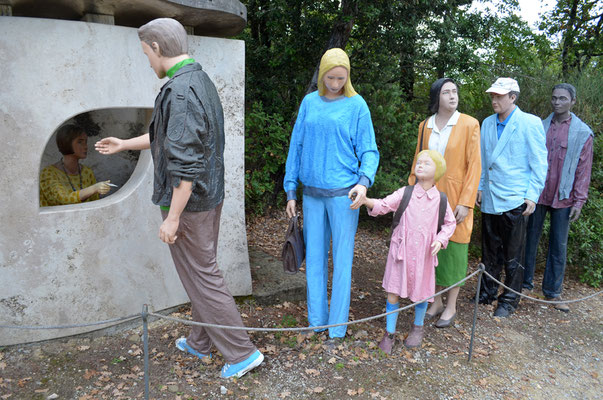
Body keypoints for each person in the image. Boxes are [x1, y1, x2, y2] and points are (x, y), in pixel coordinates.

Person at [95, 18, 263, 379]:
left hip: (190, 206)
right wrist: (125, 143)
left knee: (203, 276)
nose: (148, 62)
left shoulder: (182, 93)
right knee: (199, 274)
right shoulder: (198, 81)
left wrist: (172, 218)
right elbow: (168, 139)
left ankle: (242, 352)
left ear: (157, 48)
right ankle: (201, 343)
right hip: (208, 199)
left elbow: (184, 168)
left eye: (146, 54)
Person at [284, 48, 379, 341]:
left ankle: (337, 328)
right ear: (322, 73)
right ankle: (317, 322)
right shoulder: (309, 103)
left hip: (344, 196)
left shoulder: (357, 105)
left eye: (342, 77)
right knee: (313, 260)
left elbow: (369, 150)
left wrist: (363, 181)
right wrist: (290, 191)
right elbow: (295, 146)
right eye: (331, 76)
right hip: (311, 194)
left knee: (342, 261)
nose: (336, 82)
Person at [358, 150, 456, 353]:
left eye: (426, 163)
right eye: (418, 162)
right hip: (400, 253)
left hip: (424, 256)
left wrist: (440, 239)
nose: (420, 165)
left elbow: (449, 223)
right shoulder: (406, 193)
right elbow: (384, 204)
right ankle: (389, 333)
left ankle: (417, 328)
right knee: (393, 291)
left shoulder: (441, 200)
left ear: (437, 171)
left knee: (421, 294)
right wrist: (366, 201)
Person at [408, 78, 481, 328]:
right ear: (436, 97)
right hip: (427, 198)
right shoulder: (425, 126)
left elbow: (474, 167)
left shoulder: (470, 124)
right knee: (431, 248)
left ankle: (451, 306)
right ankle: (435, 301)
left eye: (455, 91)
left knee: (456, 251)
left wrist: (467, 201)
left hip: (456, 198)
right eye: (446, 92)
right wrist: (410, 194)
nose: (452, 96)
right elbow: (418, 161)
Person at [476, 77, 548, 317]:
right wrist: (480, 186)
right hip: (490, 197)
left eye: (499, 96)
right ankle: (487, 292)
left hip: (515, 198)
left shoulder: (529, 123)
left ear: (513, 97)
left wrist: (532, 195)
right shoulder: (486, 123)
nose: (494, 100)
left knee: (513, 255)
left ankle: (508, 300)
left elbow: (539, 162)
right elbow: (484, 161)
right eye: (493, 95)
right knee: (489, 251)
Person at [523, 83, 593, 312]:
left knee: (558, 245)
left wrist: (579, 201)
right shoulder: (539, 126)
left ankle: (553, 292)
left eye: (563, 99)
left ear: (573, 101)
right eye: (554, 98)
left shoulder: (583, 132)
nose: (557, 102)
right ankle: (524, 285)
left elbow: (584, 169)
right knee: (528, 239)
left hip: (564, 197)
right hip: (537, 193)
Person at [40, 124, 111, 207]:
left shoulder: (87, 172)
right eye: (80, 142)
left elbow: (94, 203)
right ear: (66, 142)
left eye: (86, 142)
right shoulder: (49, 173)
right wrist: (93, 189)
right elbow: (62, 199)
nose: (85, 146)